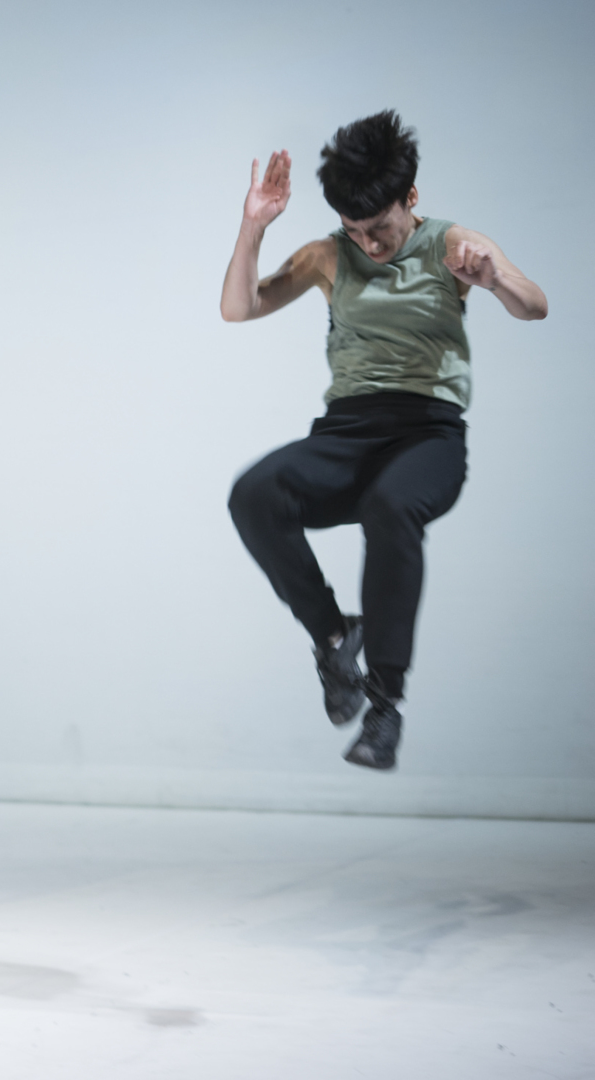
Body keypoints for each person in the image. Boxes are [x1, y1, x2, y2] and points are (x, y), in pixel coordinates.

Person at [221, 110, 547, 769]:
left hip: (427, 437)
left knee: (390, 507)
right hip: (347, 435)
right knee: (254, 495)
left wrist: (495, 281)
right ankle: (335, 637)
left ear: (412, 198)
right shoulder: (325, 256)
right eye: (355, 230)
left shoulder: (454, 245)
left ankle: (385, 707)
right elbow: (239, 307)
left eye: (382, 228)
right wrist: (253, 227)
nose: (369, 244)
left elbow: (534, 303)